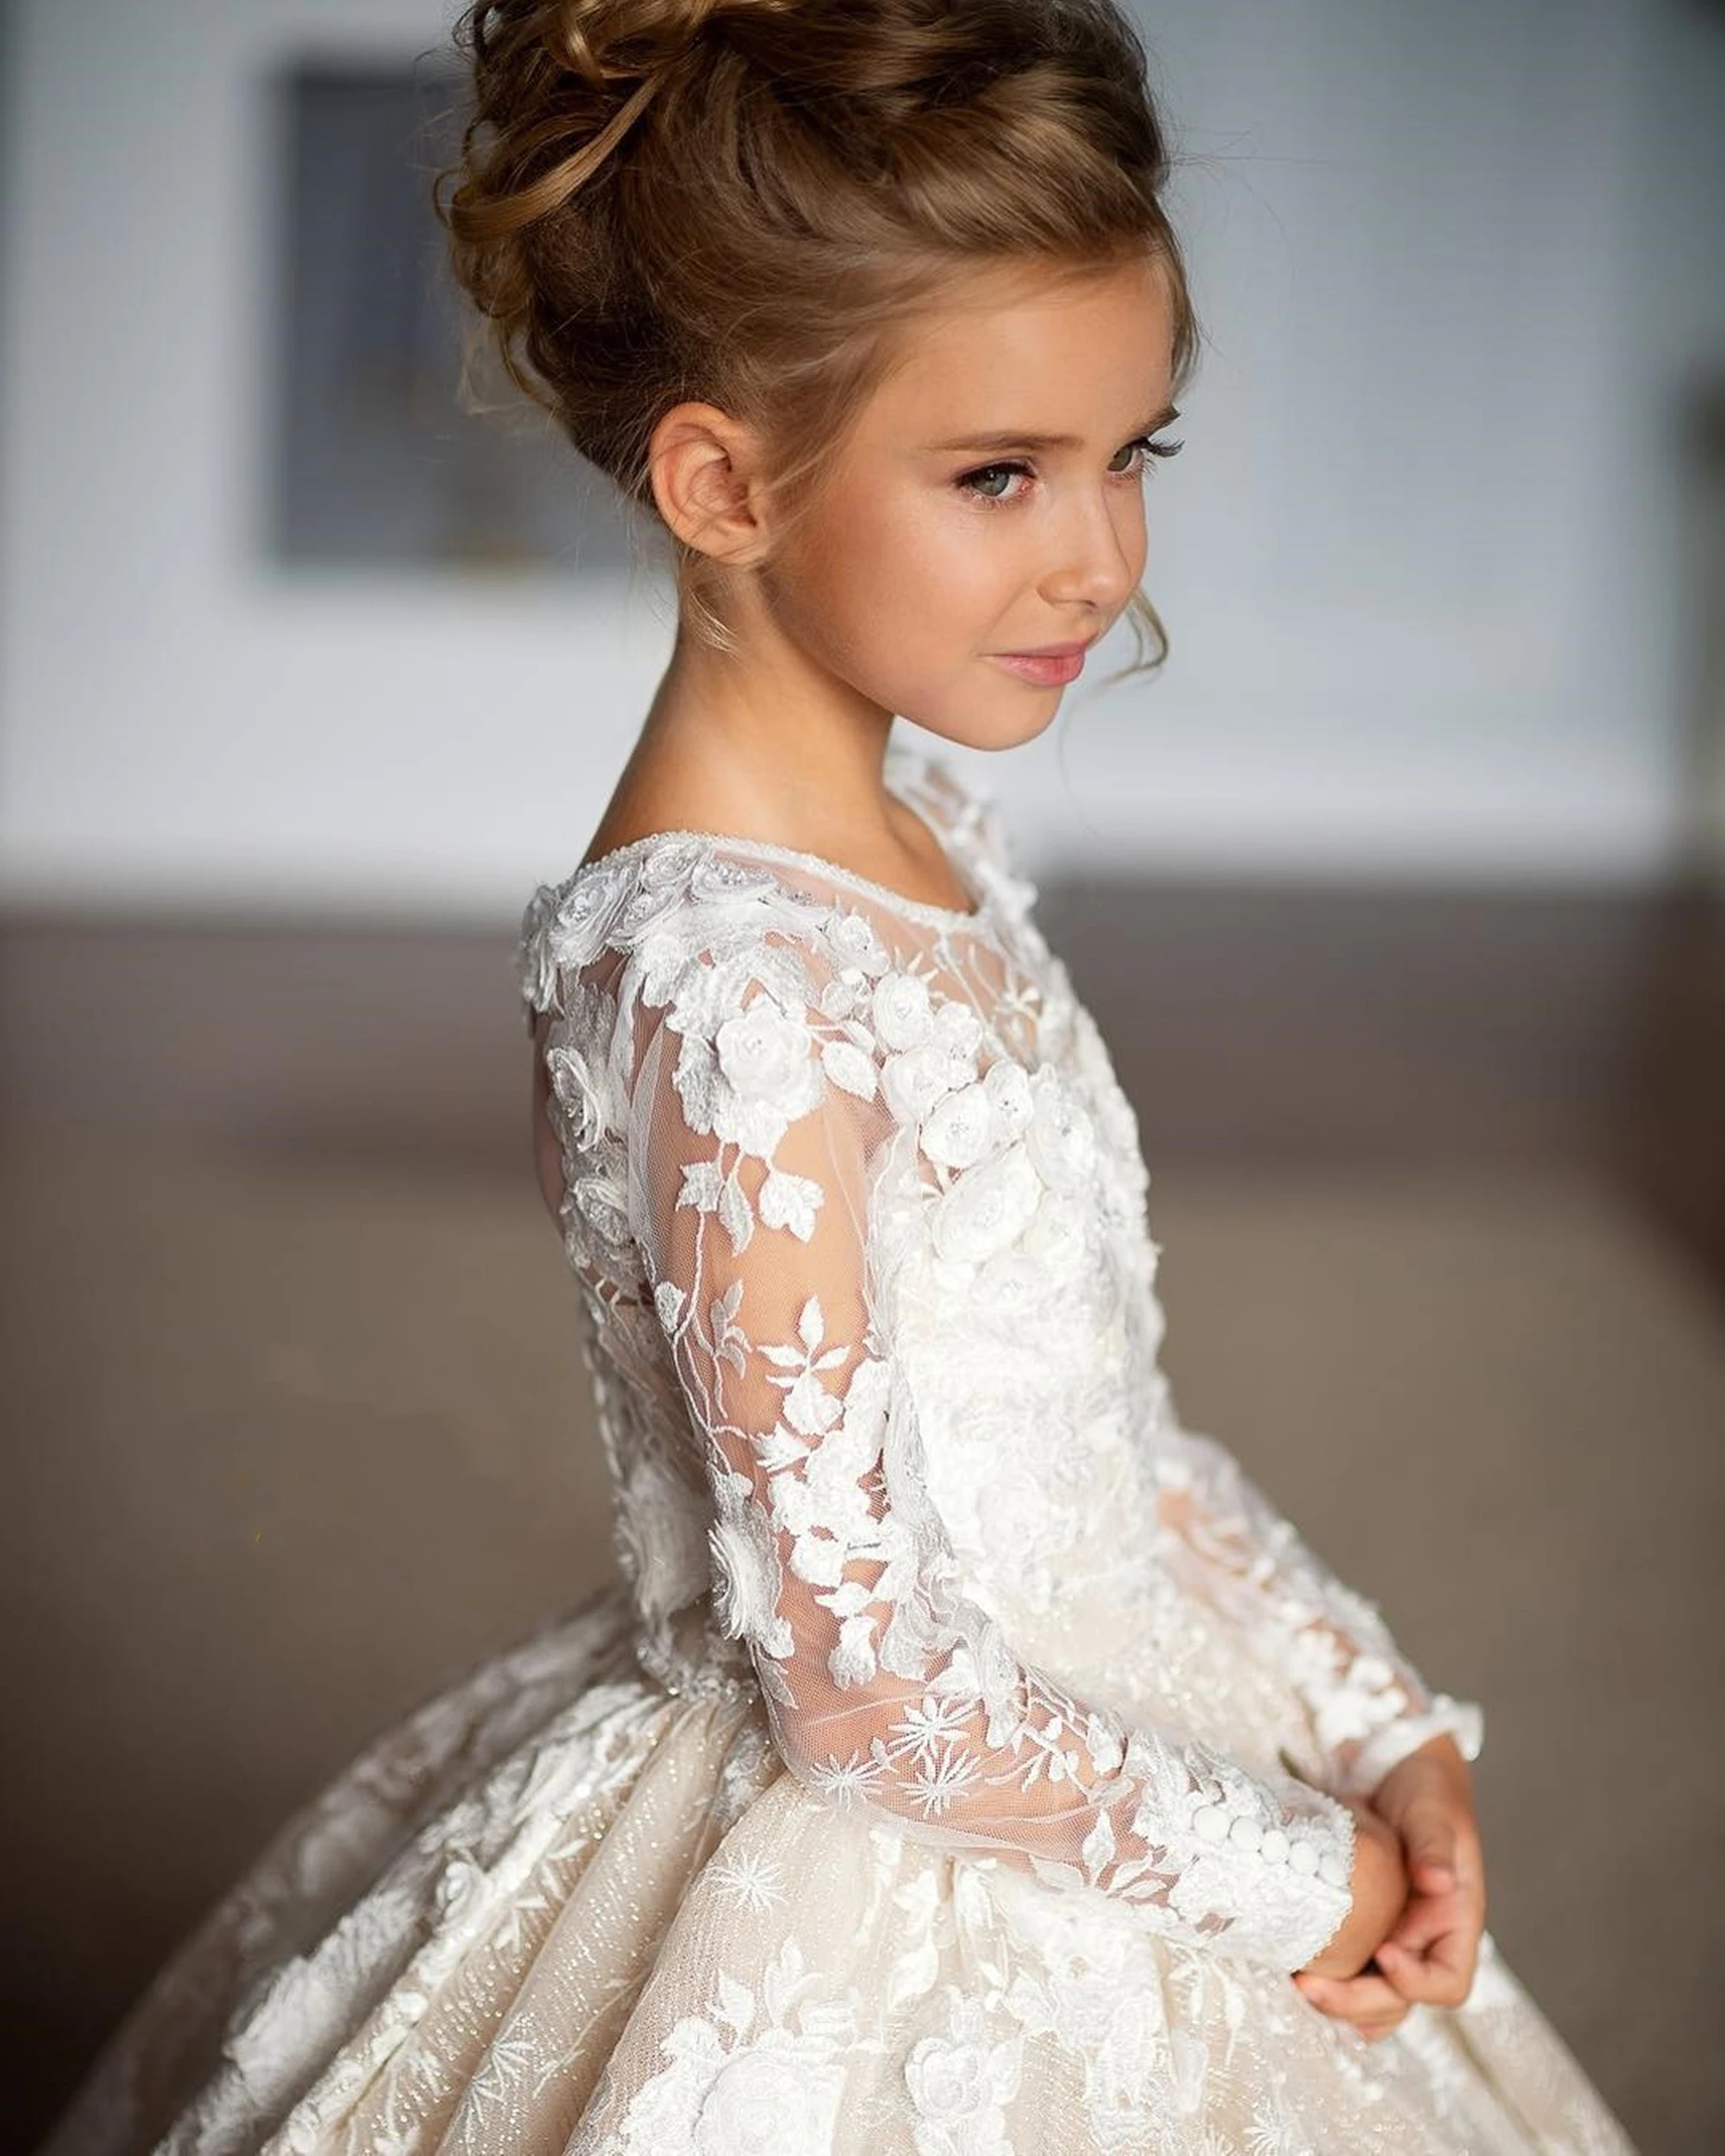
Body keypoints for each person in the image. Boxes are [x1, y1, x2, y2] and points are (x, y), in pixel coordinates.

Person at [39, 2, 1642, 2150]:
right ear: (723, 480)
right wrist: (1287, 1878)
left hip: (1099, 1688)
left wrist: (1367, 1720)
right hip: (906, 1804)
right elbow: (867, 1687)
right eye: (999, 475)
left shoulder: (921, 844)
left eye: (1129, 453)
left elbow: (1095, 1426)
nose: (1099, 558)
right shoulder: (730, 987)